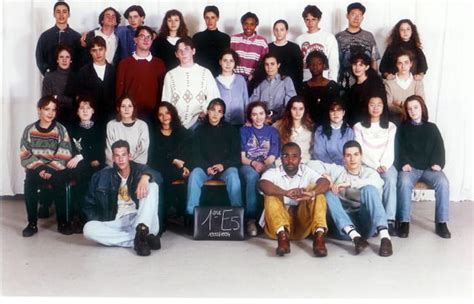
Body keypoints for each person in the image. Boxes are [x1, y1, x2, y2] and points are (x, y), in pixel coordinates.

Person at [308, 140, 393, 257]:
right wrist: (325, 176)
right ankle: (356, 238)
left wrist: (349, 183)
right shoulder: (338, 171)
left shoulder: (370, 173)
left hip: (366, 224)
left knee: (370, 189)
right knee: (328, 193)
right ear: (343, 158)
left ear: (361, 156)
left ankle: (385, 238)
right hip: (344, 227)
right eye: (348, 155)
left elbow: (378, 183)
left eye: (356, 154)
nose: (352, 159)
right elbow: (310, 164)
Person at [82, 140, 162, 257]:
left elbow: (159, 177)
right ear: (113, 157)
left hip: (141, 218)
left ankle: (141, 231)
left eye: (124, 155)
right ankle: (141, 239)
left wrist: (145, 177)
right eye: (117, 156)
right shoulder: (101, 176)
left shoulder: (140, 170)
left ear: (129, 156)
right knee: (88, 229)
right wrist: (102, 221)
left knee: (153, 185)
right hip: (118, 222)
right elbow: (88, 205)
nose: (121, 159)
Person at [258, 142, 330, 257]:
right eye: (286, 156)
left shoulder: (306, 171)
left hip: (301, 225)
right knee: (271, 193)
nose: (290, 160)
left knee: (317, 192)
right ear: (280, 158)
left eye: (294, 156)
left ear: (300, 159)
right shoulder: (273, 172)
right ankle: (283, 239)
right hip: (276, 228)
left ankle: (319, 237)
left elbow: (325, 182)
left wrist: (312, 192)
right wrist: (285, 193)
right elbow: (262, 184)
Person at [396, 95, 451, 239]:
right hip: (410, 168)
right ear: (406, 112)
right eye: (409, 109)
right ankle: (404, 222)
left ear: (422, 108)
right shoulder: (402, 128)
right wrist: (404, 163)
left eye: (415, 107)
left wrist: (438, 163)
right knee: (404, 182)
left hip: (429, 168)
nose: (413, 111)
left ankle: (441, 223)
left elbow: (439, 148)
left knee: (443, 182)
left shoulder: (431, 128)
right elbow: (398, 149)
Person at [20, 96, 73, 237]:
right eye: (46, 109)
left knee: (60, 182)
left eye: (53, 110)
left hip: (55, 169)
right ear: (39, 110)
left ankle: (62, 222)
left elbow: (65, 152)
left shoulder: (61, 130)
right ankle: (32, 223)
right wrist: (40, 168)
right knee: (29, 184)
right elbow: (25, 153)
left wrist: (50, 168)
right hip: (36, 169)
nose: (50, 113)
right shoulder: (29, 130)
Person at [185, 99, 242, 217]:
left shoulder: (230, 130)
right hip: (205, 169)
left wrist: (223, 165)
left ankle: (237, 215)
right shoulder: (199, 130)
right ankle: (191, 215)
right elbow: (195, 155)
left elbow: (235, 156)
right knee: (194, 174)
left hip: (224, 168)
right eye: (213, 110)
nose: (215, 114)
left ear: (222, 114)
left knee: (233, 174)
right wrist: (206, 167)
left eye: (219, 111)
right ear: (207, 112)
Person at [353, 95, 398, 235]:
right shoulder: (358, 127)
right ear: (367, 107)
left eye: (379, 105)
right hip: (367, 164)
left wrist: (384, 164)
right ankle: (376, 220)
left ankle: (389, 220)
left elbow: (390, 148)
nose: (375, 108)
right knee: (373, 184)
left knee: (390, 179)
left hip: (386, 164)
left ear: (383, 107)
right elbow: (361, 150)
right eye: (372, 104)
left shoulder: (391, 126)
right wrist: (374, 165)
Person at [149, 102, 191, 230]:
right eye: (160, 114)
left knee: (181, 178)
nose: (164, 117)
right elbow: (154, 157)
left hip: (179, 169)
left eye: (167, 113)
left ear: (172, 114)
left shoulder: (182, 132)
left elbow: (188, 154)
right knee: (161, 176)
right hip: (160, 168)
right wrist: (172, 160)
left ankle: (183, 217)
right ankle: (161, 220)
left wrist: (186, 167)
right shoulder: (154, 133)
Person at [162, 37, 220, 130]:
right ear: (176, 54)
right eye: (180, 50)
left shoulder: (205, 72)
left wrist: (205, 113)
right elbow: (166, 101)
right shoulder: (170, 75)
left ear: (193, 51)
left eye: (186, 49)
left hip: (200, 123)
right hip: (177, 124)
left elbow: (214, 97)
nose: (183, 53)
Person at [240, 101, 280, 236]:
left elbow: (273, 156)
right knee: (252, 177)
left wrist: (263, 164)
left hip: (267, 163)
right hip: (248, 164)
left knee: (270, 176)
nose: (258, 117)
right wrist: (253, 164)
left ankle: (271, 216)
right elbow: (243, 158)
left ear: (266, 114)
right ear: (250, 116)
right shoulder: (244, 130)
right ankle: (251, 219)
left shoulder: (272, 131)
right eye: (254, 114)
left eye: (261, 113)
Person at [67, 96, 106, 232]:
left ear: (93, 110)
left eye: (88, 108)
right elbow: (72, 149)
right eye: (81, 108)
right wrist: (82, 157)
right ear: (77, 112)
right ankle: (80, 215)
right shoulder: (72, 129)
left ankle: (94, 215)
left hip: (97, 165)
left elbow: (99, 152)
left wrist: (81, 156)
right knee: (78, 175)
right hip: (81, 168)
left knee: (96, 175)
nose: (85, 111)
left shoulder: (99, 129)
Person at [116, 26, 166, 122]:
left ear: (152, 41)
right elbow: (119, 91)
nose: (146, 40)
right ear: (135, 40)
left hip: (153, 114)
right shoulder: (124, 63)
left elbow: (163, 91)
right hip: (130, 114)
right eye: (142, 36)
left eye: (149, 37)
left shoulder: (159, 63)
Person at [336, 2, 380, 91]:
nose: (356, 18)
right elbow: (335, 62)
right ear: (347, 16)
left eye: (359, 15)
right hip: (345, 81)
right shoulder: (339, 37)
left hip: (366, 81)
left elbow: (374, 60)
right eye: (353, 14)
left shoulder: (368, 36)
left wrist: (375, 79)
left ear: (362, 18)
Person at [74, 36, 116, 127]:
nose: (98, 53)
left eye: (100, 49)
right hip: (90, 119)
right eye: (94, 50)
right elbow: (79, 97)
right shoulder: (83, 71)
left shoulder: (114, 71)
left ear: (105, 49)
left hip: (110, 118)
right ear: (90, 52)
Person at [35, 1, 82, 75]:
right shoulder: (45, 36)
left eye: (64, 12)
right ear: (54, 14)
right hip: (51, 81)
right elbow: (40, 58)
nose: (61, 15)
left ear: (69, 14)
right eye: (58, 12)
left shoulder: (77, 37)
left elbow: (81, 60)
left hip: (72, 81)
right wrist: (47, 73)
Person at [295, 5, 339, 83]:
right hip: (306, 80)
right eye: (307, 20)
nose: (310, 23)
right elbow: (298, 65)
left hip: (324, 80)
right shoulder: (299, 39)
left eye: (313, 19)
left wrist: (332, 82)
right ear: (304, 20)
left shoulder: (328, 37)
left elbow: (333, 62)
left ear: (319, 20)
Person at [249, 53, 297, 122]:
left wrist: (275, 119)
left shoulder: (286, 81)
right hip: (262, 121)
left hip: (281, 121)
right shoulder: (260, 83)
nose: (269, 67)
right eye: (267, 64)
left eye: (272, 64)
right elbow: (253, 104)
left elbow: (290, 104)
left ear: (278, 65)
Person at [105, 95, 149, 167]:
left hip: (137, 166)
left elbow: (143, 151)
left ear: (133, 108)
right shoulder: (111, 125)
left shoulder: (142, 125)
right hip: (116, 166)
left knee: (153, 176)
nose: (126, 109)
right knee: (99, 177)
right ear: (118, 108)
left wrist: (130, 168)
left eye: (130, 106)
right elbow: (109, 151)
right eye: (123, 106)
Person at [384, 50, 425, 125]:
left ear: (411, 64)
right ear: (396, 64)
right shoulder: (389, 83)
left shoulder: (417, 82)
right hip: (394, 122)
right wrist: (411, 107)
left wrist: (400, 104)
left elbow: (421, 103)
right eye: (400, 63)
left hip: (413, 122)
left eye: (406, 62)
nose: (403, 66)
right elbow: (388, 105)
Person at [345, 52, 385, 126]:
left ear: (367, 67)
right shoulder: (352, 88)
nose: (357, 68)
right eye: (354, 64)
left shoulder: (375, 84)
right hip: (356, 126)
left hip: (371, 124)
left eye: (361, 65)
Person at [301, 50, 340, 126]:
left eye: (319, 63)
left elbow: (337, 107)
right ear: (308, 66)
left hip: (328, 124)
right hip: (308, 124)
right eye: (312, 64)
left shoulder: (332, 86)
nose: (315, 66)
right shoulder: (303, 86)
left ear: (324, 65)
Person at [41, 45, 76, 128]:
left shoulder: (76, 77)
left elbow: (76, 102)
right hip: (53, 118)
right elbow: (47, 100)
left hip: (73, 118)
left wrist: (56, 97)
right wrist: (66, 100)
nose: (64, 60)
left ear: (71, 60)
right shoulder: (49, 77)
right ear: (57, 60)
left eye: (67, 57)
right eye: (61, 57)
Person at [312, 99, 354, 166]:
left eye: (339, 110)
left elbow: (351, 153)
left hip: (345, 168)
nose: (335, 113)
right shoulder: (320, 130)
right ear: (328, 113)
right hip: (325, 167)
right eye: (332, 110)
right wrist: (333, 168)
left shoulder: (349, 132)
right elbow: (319, 154)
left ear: (343, 113)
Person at [273, 96, 314, 164]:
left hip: (304, 164)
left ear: (304, 110)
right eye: (294, 109)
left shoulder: (310, 128)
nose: (298, 112)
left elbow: (312, 151)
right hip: (283, 164)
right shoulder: (279, 126)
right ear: (289, 110)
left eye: (301, 109)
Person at [193, 5, 231, 77]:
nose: (210, 21)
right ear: (204, 18)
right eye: (207, 18)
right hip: (201, 75)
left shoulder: (225, 38)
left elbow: (225, 59)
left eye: (213, 17)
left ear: (217, 18)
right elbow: (194, 60)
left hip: (218, 76)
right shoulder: (197, 37)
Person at [230, 12, 268, 81]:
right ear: (242, 24)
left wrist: (253, 76)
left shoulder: (262, 42)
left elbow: (263, 62)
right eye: (246, 24)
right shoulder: (234, 39)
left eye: (252, 24)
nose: (248, 27)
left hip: (253, 79)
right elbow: (229, 59)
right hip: (236, 78)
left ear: (256, 25)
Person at [215, 49, 248, 126]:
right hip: (220, 124)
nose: (228, 64)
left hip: (239, 123)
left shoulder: (241, 79)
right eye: (225, 60)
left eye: (231, 61)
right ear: (220, 62)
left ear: (235, 63)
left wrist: (248, 120)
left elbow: (246, 101)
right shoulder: (215, 81)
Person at [268, 19, 303, 92]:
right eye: (276, 30)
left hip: (291, 86)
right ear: (273, 31)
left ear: (286, 31)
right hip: (273, 86)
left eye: (282, 30)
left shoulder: (294, 47)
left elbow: (299, 71)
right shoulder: (268, 47)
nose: (279, 32)